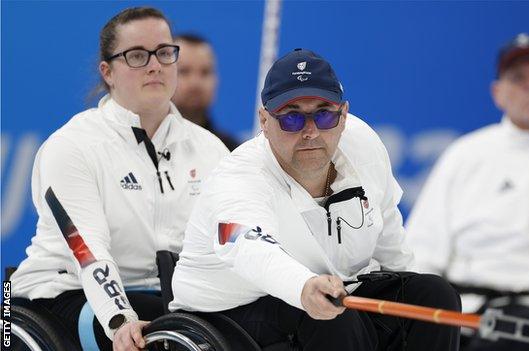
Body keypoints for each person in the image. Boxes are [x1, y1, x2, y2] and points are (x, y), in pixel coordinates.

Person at [170, 48, 461, 351]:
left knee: (433, 296)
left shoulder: (364, 145)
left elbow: (388, 237)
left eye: (324, 115)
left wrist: (408, 302)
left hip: (333, 292)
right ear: (264, 120)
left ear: (344, 115)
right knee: (330, 315)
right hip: (230, 310)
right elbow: (245, 246)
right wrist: (303, 287)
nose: (310, 131)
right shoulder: (240, 177)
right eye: (292, 118)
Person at [9, 7, 229, 351]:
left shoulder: (210, 150)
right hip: (63, 294)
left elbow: (231, 243)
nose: (155, 64)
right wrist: (119, 318)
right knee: (172, 329)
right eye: (137, 55)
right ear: (108, 72)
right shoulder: (72, 146)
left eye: (165, 52)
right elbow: (87, 250)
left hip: (167, 294)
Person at [405, 33, 529, 351]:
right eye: (518, 77)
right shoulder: (465, 154)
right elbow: (420, 252)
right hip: (489, 314)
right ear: (498, 93)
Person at [171, 33, 239, 151]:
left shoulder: (231, 152)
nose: (195, 83)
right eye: (184, 71)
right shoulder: (145, 144)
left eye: (205, 72)